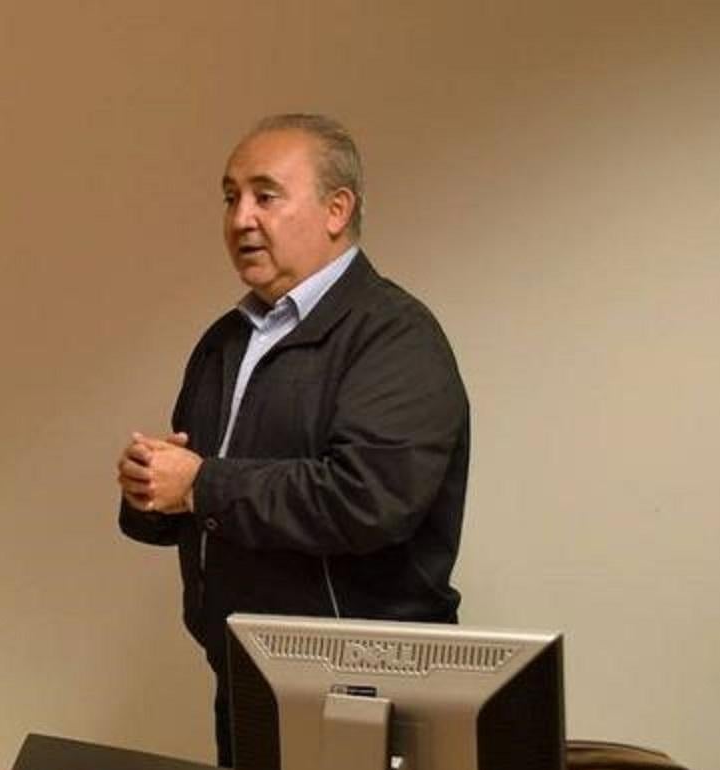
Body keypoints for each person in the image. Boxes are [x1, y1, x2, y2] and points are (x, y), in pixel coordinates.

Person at [116, 113, 469, 767]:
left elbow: (369, 498)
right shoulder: (226, 340)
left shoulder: (395, 336)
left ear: (337, 209)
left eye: (265, 195)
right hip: (248, 679)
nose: (240, 218)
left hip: (364, 692)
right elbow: (211, 501)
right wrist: (152, 489)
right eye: (231, 197)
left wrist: (199, 483)